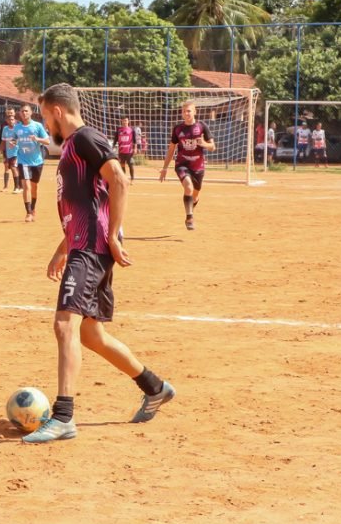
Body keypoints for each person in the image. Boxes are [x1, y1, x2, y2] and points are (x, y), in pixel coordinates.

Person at [20, 82, 175, 444]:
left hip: (92, 248)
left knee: (64, 325)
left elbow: (119, 180)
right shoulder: (74, 146)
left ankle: (63, 417)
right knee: (91, 335)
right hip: (82, 245)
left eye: (45, 117)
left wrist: (113, 235)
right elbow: (87, 204)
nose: (46, 126)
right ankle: (155, 387)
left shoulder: (86, 138)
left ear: (58, 111)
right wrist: (63, 247)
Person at [159, 100, 216, 231]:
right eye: (184, 111)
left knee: (195, 195)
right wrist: (165, 168)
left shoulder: (202, 127)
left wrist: (204, 144)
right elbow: (171, 149)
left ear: (195, 112)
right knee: (188, 187)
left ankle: (190, 207)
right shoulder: (178, 129)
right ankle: (189, 217)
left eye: (189, 111)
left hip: (198, 167)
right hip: (182, 164)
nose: (186, 113)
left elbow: (213, 147)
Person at [13, 103, 50, 222]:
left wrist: (37, 139)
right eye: (22, 111)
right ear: (19, 113)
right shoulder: (17, 127)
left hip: (37, 161)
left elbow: (47, 141)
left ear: (31, 112)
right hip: (23, 161)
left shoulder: (37, 126)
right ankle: (28, 212)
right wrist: (14, 142)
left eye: (26, 111)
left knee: (34, 187)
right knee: (26, 186)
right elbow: (14, 139)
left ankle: (33, 209)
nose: (24, 113)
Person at [0, 108, 22, 193]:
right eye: (9, 115)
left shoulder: (19, 126)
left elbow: (22, 138)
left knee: (14, 168)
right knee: (6, 166)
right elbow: (2, 140)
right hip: (7, 151)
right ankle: (6, 186)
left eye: (12, 115)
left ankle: (17, 187)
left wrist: (15, 142)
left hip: (17, 152)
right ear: (7, 118)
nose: (11, 119)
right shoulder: (4, 127)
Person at [114, 116, 137, 184]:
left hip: (129, 151)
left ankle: (132, 179)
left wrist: (135, 148)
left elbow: (134, 140)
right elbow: (115, 139)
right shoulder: (119, 130)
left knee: (130, 164)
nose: (125, 122)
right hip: (121, 151)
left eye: (126, 120)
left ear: (128, 121)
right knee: (122, 165)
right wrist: (113, 147)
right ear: (121, 121)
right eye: (123, 120)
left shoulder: (131, 130)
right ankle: (124, 179)